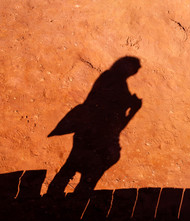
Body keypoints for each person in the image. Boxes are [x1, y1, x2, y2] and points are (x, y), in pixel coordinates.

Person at [47, 56, 142, 198]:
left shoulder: (107, 78)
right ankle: (75, 205)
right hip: (100, 137)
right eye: (135, 66)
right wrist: (133, 110)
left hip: (85, 131)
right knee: (89, 175)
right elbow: (118, 122)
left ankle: (52, 198)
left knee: (71, 165)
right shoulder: (117, 85)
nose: (137, 69)